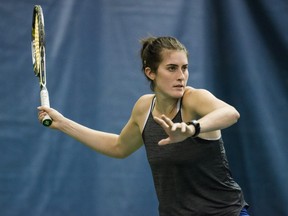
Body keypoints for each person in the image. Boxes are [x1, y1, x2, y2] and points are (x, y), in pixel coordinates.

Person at [38, 36, 249, 216]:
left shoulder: (194, 99)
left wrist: (190, 128)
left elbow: (231, 113)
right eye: (172, 68)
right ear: (151, 72)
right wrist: (63, 123)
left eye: (184, 68)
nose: (181, 76)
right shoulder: (144, 107)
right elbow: (119, 147)